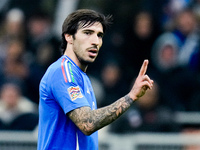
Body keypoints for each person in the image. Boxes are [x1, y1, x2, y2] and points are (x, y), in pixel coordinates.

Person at [37, 9, 153, 150]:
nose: (95, 41)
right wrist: (130, 97)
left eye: (99, 35)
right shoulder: (62, 71)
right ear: (68, 37)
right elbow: (87, 123)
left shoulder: (83, 78)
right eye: (87, 33)